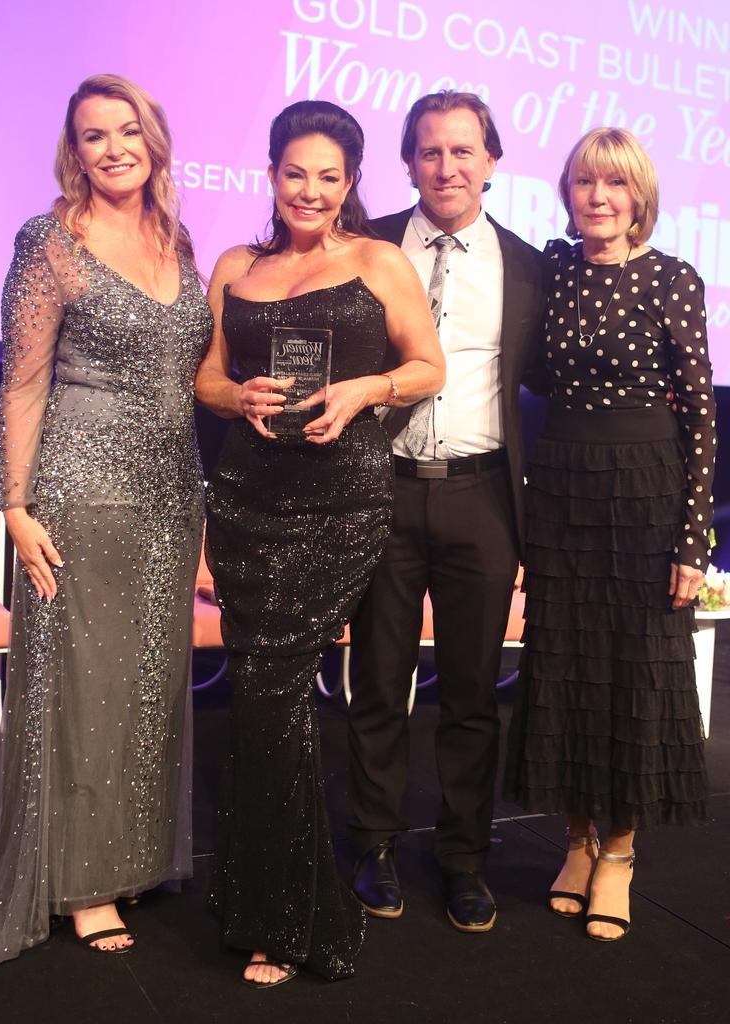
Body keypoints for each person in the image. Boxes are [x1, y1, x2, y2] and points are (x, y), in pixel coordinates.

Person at [0, 74, 212, 970]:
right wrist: (18, 506)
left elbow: (193, 378)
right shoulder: (51, 241)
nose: (112, 148)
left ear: (154, 138)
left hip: (170, 496)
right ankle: (80, 883)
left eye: (126, 131)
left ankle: (127, 857)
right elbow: (23, 381)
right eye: (93, 135)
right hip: (79, 493)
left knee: (145, 690)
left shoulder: (177, 239)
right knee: (81, 690)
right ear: (76, 150)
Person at [194, 99, 444, 988]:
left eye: (328, 176)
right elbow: (207, 375)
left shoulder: (378, 262)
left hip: (340, 505)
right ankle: (262, 890)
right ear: (270, 174)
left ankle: (284, 914)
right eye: (294, 172)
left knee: (271, 692)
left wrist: (368, 389)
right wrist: (239, 400)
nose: (310, 189)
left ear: (350, 183)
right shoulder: (236, 265)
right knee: (268, 696)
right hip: (248, 502)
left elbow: (429, 366)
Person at [504, 127, 716, 940]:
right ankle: (578, 840)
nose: (598, 197)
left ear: (639, 200)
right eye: (586, 182)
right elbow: (522, 371)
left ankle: (621, 853)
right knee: (566, 666)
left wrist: (693, 542)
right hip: (560, 489)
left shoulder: (673, 279)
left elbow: (699, 414)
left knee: (633, 673)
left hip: (647, 494)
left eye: (615, 185)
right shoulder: (553, 271)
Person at [347, 91, 546, 932]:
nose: (447, 167)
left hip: (483, 497)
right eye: (431, 152)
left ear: (492, 162)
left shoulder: (532, 266)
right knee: (380, 684)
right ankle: (375, 846)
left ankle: (465, 858)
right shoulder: (367, 247)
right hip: (381, 489)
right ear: (408, 162)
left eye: (464, 152)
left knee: (471, 692)